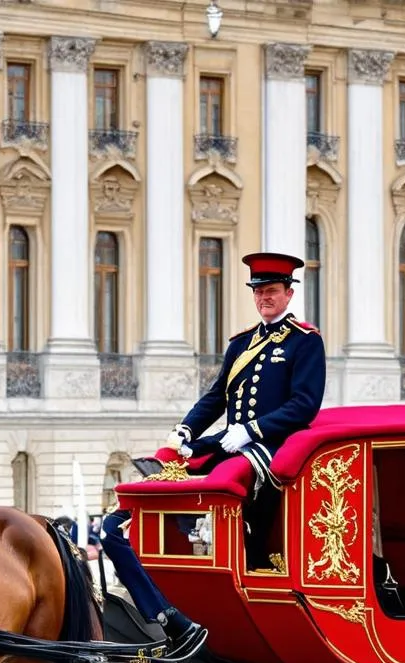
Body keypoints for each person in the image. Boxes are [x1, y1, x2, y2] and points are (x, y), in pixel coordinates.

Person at [102, 251, 326, 640]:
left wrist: (253, 430)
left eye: (271, 291)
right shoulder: (242, 344)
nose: (264, 299)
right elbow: (216, 396)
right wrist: (186, 431)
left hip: (268, 449)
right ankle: (163, 609)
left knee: (213, 488)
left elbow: (304, 405)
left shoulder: (304, 342)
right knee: (120, 518)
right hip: (230, 445)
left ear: (289, 294)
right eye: (258, 292)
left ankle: (201, 556)